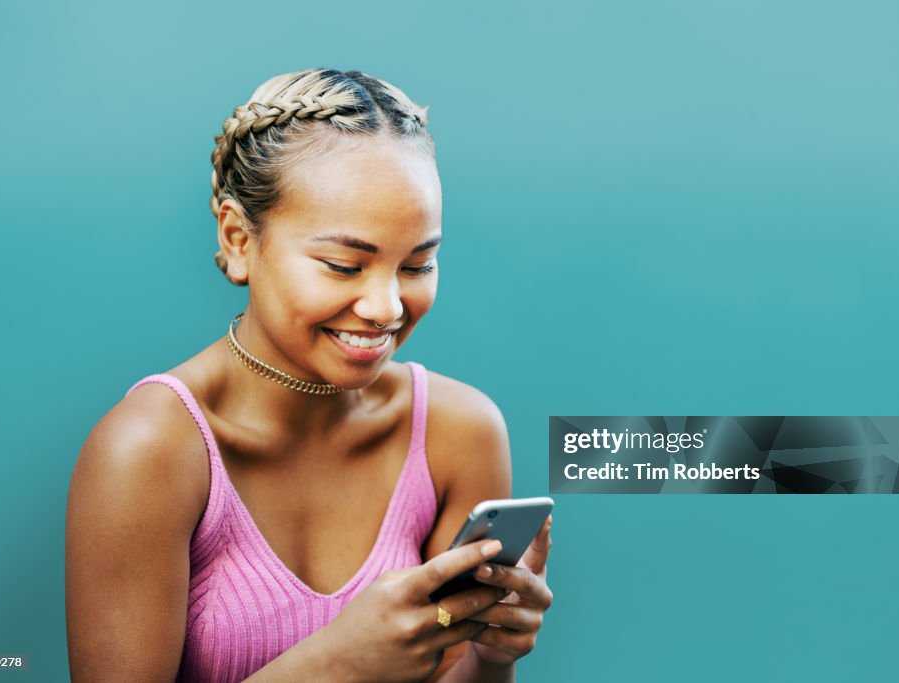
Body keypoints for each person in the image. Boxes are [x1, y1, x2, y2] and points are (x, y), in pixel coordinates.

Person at [65, 68, 553, 682]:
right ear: (239, 240)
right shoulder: (149, 452)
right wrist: (337, 664)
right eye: (344, 265)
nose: (387, 308)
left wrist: (488, 653)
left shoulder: (460, 432)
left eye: (417, 264)